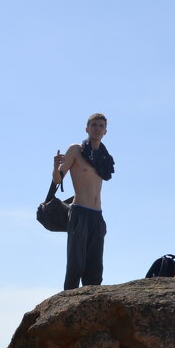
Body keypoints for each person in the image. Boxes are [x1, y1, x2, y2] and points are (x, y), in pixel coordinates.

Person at [52, 113, 114, 290]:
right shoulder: (76, 150)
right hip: (80, 213)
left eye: (101, 126)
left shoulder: (103, 156)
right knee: (75, 265)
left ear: (105, 131)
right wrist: (55, 167)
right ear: (87, 129)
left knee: (95, 269)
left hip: (97, 215)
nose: (97, 128)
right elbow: (58, 179)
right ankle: (66, 308)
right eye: (94, 125)